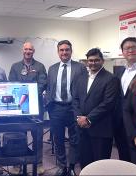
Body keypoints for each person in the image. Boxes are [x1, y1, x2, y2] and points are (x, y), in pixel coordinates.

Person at [72, 48, 119, 169]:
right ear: (87, 62)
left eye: (96, 60)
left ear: (102, 61)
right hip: (82, 129)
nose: (93, 63)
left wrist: (88, 119)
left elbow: (108, 103)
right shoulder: (81, 78)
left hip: (101, 129)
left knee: (100, 165)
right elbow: (75, 99)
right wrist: (79, 118)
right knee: (85, 161)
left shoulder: (111, 78)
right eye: (90, 60)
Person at [46, 40, 86, 176]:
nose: (64, 52)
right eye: (61, 50)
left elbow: (84, 88)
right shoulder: (52, 68)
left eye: (67, 50)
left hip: (73, 108)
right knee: (58, 138)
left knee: (75, 138)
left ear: (71, 51)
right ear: (58, 52)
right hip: (56, 108)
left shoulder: (80, 67)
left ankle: (72, 166)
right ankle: (62, 166)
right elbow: (49, 87)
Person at [8, 42, 47, 175]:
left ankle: (39, 162)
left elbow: (42, 84)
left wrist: (27, 94)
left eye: (30, 49)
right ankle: (17, 164)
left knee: (37, 136)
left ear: (33, 51)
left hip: (36, 107)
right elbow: (11, 83)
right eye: (26, 49)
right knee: (19, 136)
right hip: (19, 107)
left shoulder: (40, 66)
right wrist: (24, 95)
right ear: (22, 50)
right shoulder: (15, 66)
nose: (28, 51)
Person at [113, 37, 136, 161]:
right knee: (123, 153)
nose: (130, 50)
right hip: (119, 121)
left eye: (134, 47)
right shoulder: (119, 71)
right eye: (127, 48)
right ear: (123, 52)